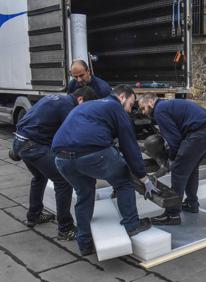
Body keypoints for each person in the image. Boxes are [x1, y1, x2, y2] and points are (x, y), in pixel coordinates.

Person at [52, 85, 154, 256]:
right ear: (122, 97)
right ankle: (132, 224)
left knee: (84, 193)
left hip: (61, 158)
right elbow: (129, 146)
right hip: (93, 154)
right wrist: (143, 177)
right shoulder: (115, 107)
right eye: (131, 103)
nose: (130, 109)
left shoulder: (87, 105)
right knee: (124, 182)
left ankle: (84, 243)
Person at [12, 87, 98, 241]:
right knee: (62, 180)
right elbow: (71, 135)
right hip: (33, 146)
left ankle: (34, 215)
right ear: (80, 100)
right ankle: (65, 229)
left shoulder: (56, 98)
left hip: (21, 141)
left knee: (39, 177)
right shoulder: (68, 107)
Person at [138, 94, 206, 225]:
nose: (143, 112)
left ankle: (172, 214)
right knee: (192, 170)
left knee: (178, 171)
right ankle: (192, 204)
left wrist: (172, 159)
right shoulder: (168, 105)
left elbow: (174, 140)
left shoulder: (159, 110)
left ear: (151, 102)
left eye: (143, 108)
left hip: (200, 134)